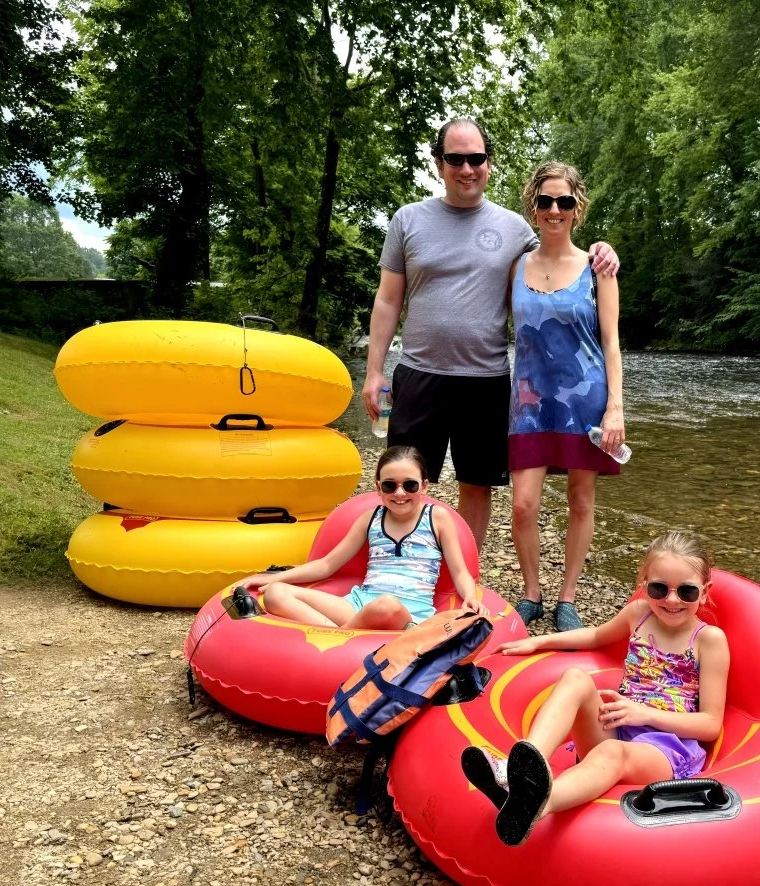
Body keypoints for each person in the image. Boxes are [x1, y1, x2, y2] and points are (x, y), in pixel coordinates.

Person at [360, 117, 619, 549]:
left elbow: (557, 257)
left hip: (486, 380)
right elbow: (387, 300)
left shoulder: (514, 229)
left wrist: (601, 250)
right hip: (419, 373)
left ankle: (466, 571)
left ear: (489, 163)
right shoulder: (407, 220)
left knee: (477, 484)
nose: (467, 169)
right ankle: (400, 563)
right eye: (455, 159)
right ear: (439, 164)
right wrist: (373, 371)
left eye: (476, 158)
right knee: (402, 478)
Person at [461, 531, 729, 846]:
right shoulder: (638, 614)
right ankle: (515, 771)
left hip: (667, 748)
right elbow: (595, 636)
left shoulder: (708, 640)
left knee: (611, 752)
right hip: (619, 725)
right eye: (659, 589)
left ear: (705, 591)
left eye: (686, 591)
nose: (671, 600)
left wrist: (644, 713)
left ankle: (535, 806)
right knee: (575, 677)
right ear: (644, 583)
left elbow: (710, 724)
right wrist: (538, 642)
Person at [508, 161, 625, 633]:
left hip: (585, 400)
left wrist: (615, 407)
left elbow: (611, 342)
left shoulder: (598, 268)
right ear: (533, 207)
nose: (554, 209)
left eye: (564, 201)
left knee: (580, 499)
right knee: (523, 504)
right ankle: (531, 593)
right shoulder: (515, 265)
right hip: (528, 404)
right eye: (545, 200)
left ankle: (568, 597)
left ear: (578, 208)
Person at [234, 446, 488, 629]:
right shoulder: (370, 518)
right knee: (276, 594)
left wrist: (470, 597)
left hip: (408, 613)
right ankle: (341, 634)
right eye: (390, 485)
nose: (400, 493)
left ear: (424, 486)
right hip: (357, 605)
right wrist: (272, 578)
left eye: (409, 485)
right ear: (378, 487)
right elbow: (327, 565)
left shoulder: (438, 518)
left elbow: (460, 572)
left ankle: (341, 634)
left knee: (386, 605)